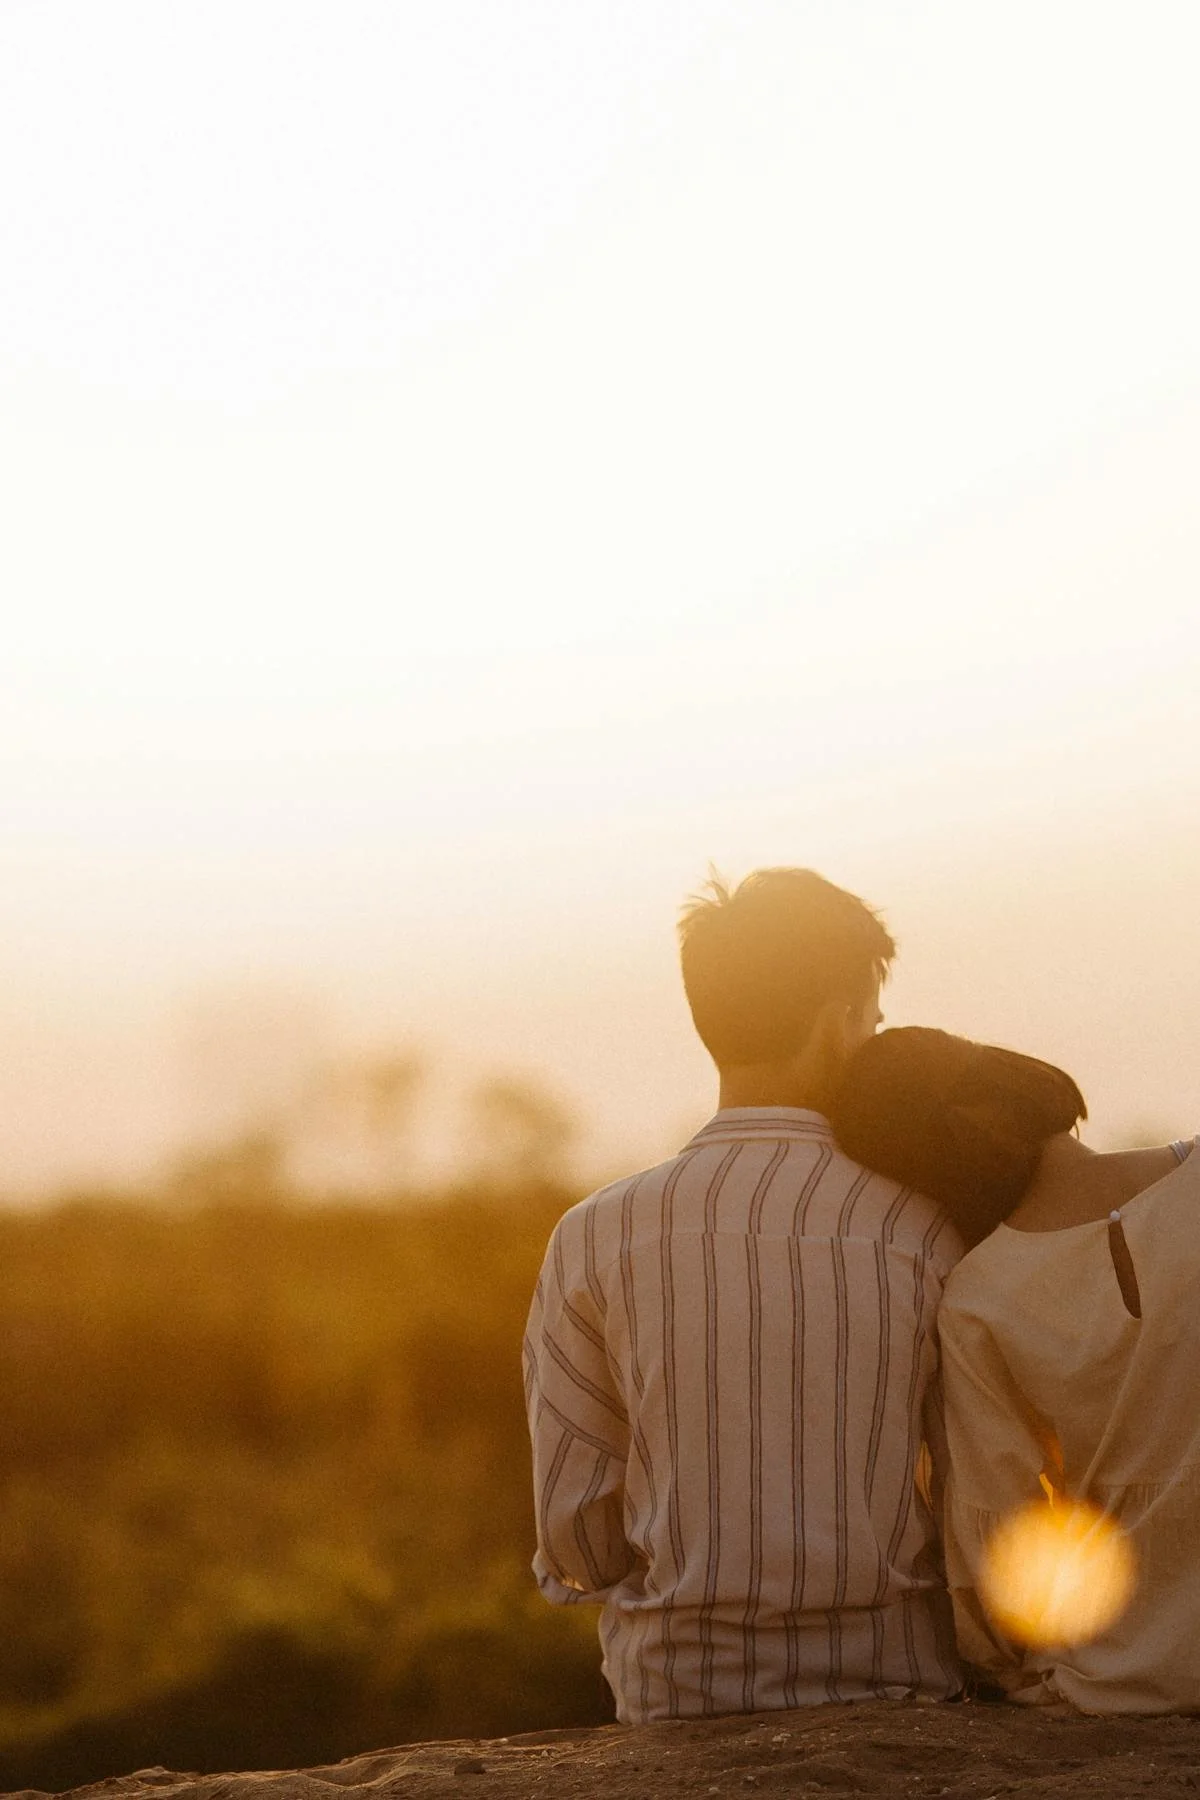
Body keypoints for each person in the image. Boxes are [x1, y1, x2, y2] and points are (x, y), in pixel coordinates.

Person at [523, 870, 965, 1723]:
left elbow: (575, 1536)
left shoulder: (594, 1234)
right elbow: (974, 1494)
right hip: (895, 1688)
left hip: (679, 1694)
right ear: (841, 1021)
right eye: (871, 1020)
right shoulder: (925, 1229)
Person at [829, 1026, 1199, 1713]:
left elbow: (998, 1540)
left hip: (1118, 1676)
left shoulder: (978, 1299)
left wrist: (1002, 1661)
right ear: (1015, 1076)